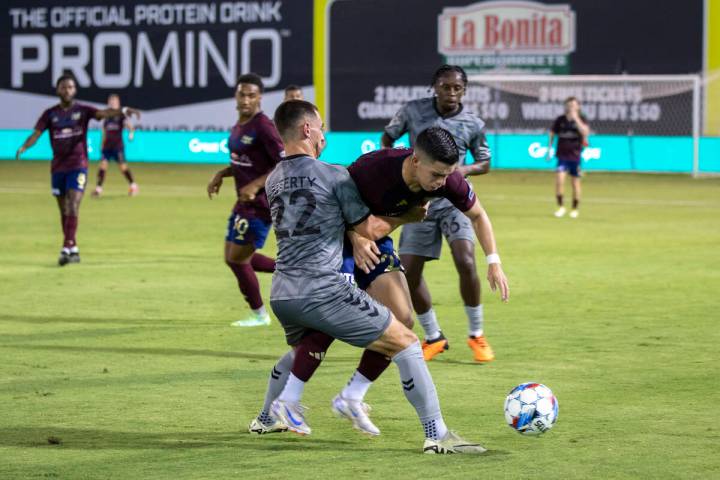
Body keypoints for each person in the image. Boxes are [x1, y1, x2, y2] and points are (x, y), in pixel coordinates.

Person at [250, 100, 486, 454]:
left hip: (283, 290)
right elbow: (369, 227)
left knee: (312, 343)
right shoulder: (334, 174)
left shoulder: (273, 180)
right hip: (324, 288)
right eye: (322, 127)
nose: (324, 134)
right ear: (307, 130)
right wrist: (408, 215)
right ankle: (437, 434)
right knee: (405, 339)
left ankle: (268, 416)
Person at [330, 126, 509, 436]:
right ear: (415, 161)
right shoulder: (375, 168)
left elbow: (479, 216)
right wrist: (356, 237)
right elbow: (333, 203)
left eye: (447, 175)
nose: (442, 183)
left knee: (401, 320)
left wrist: (494, 262)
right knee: (322, 324)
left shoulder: (447, 179)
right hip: (336, 237)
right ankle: (280, 405)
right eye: (437, 175)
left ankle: (351, 395)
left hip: (377, 240)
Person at [381, 65, 495, 363]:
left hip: (455, 199)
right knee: (409, 271)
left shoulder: (473, 123)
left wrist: (461, 171)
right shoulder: (412, 111)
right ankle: (434, 337)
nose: (452, 93)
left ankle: (477, 334)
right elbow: (388, 137)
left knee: (466, 260)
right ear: (435, 86)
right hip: (419, 201)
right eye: (446, 87)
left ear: (464, 90)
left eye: (458, 88)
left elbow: (484, 162)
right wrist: (396, 168)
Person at [15, 74, 140, 266]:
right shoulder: (50, 114)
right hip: (57, 167)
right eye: (64, 87)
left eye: (71, 87)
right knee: (63, 211)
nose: (67, 90)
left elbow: (104, 113)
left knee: (73, 204)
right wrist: (24, 147)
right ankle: (73, 248)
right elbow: (37, 133)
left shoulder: (83, 111)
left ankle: (66, 247)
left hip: (78, 165)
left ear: (75, 90)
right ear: (58, 90)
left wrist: (123, 110)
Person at [207, 73, 284, 328]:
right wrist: (222, 174)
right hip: (243, 202)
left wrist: (256, 184)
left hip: (261, 205)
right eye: (242, 94)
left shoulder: (264, 126)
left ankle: (260, 314)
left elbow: (284, 163)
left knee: (236, 259)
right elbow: (241, 162)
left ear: (260, 97)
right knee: (234, 255)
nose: (246, 99)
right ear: (236, 95)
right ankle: (293, 267)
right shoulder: (239, 125)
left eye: (252, 95)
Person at [546, 96, 590, 218]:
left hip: (575, 157)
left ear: (578, 107)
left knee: (575, 184)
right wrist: (549, 150)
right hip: (562, 156)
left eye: (574, 105)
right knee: (559, 181)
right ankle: (561, 207)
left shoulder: (581, 119)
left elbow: (586, 132)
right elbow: (552, 134)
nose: (571, 107)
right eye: (569, 105)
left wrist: (576, 119)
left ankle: (575, 209)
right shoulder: (560, 120)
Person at [92, 94, 139, 197]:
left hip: (117, 147)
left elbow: (130, 127)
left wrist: (131, 135)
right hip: (107, 147)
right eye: (111, 101)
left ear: (118, 103)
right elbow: (104, 131)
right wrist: (101, 144)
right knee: (103, 166)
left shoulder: (121, 116)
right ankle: (98, 189)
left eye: (114, 101)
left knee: (123, 167)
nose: (113, 103)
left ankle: (133, 186)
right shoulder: (107, 116)